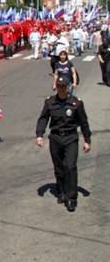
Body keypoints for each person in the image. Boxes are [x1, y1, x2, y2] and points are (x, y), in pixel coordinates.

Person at [35, 76, 91, 212]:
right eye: (59, 86)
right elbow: (43, 119)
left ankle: (71, 198)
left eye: (63, 86)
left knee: (70, 167)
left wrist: (87, 140)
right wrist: (39, 135)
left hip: (70, 138)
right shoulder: (50, 102)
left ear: (68, 87)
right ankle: (61, 192)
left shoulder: (76, 103)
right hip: (55, 138)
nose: (61, 89)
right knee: (59, 168)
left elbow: (84, 122)